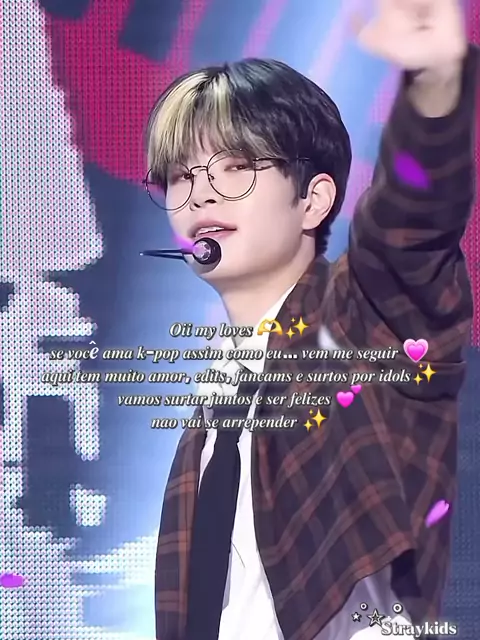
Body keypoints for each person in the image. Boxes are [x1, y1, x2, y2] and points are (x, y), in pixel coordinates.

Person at [147, 1, 478, 638]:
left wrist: (435, 85)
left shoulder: (361, 323)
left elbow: (411, 224)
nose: (200, 193)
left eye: (235, 168)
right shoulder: (212, 411)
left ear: (313, 200)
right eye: (180, 177)